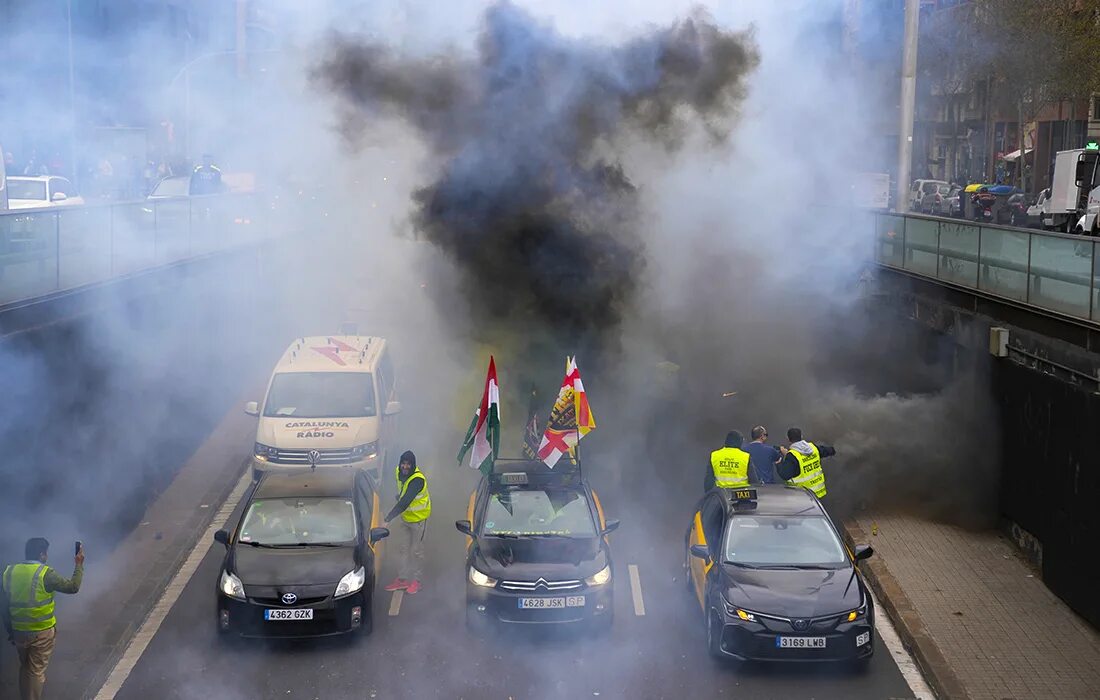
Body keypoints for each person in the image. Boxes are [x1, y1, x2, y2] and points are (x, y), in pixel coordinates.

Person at [2, 538, 84, 700]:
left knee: (26, 668)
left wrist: (10, 630)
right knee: (36, 671)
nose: (47, 556)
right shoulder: (46, 573)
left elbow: (3, 605)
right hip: (41, 633)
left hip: (19, 632)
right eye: (46, 553)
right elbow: (73, 587)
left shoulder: (9, 572)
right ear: (41, 554)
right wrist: (79, 564)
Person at [384, 450, 431, 595]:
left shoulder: (418, 479)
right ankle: (402, 579)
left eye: (408, 464)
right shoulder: (398, 471)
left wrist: (388, 519)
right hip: (406, 519)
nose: (405, 467)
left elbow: (405, 501)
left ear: (413, 465)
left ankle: (417, 581)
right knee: (403, 549)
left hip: (418, 521)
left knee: (417, 552)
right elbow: (403, 492)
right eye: (403, 463)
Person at [777, 427, 835, 499]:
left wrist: (779, 462)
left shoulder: (792, 456)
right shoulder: (813, 448)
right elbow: (829, 451)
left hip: (803, 497)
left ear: (788, 439)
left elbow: (785, 475)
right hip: (819, 494)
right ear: (801, 436)